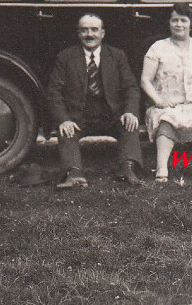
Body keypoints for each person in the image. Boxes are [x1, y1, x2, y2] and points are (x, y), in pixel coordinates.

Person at [45, 13, 144, 188]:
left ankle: (127, 169)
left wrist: (129, 111)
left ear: (103, 33)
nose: (89, 34)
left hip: (111, 116)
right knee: (66, 130)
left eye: (94, 30)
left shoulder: (116, 56)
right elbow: (54, 92)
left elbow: (131, 87)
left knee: (130, 123)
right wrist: (64, 119)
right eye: (84, 30)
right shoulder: (66, 57)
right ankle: (74, 173)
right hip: (79, 117)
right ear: (78, 34)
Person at [140, 2, 192, 184]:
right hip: (166, 104)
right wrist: (158, 100)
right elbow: (145, 80)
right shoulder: (157, 48)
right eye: (174, 20)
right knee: (165, 122)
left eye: (183, 20)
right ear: (169, 23)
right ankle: (162, 168)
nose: (178, 25)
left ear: (191, 23)